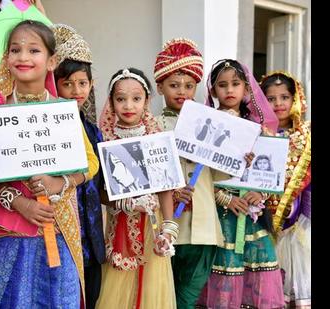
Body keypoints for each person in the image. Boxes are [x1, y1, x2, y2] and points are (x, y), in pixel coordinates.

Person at [0, 20, 99, 308]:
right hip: (12, 231)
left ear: (51, 61)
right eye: (15, 50)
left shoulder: (62, 111)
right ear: (6, 59)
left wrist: (61, 182)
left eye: (33, 50)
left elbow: (91, 163)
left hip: (58, 226)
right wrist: (18, 201)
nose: (24, 57)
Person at [153, 38, 234, 309]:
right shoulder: (152, 126)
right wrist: (172, 190)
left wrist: (238, 157)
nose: (182, 91)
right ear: (160, 86)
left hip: (203, 227)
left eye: (189, 86)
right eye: (174, 85)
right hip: (166, 225)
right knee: (165, 295)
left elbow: (221, 174)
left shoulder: (210, 123)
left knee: (189, 296)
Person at [197, 59, 284, 308]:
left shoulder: (259, 126)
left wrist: (261, 193)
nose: (230, 90)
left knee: (258, 272)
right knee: (223, 273)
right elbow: (199, 174)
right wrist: (226, 198)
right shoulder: (207, 125)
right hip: (222, 211)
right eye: (222, 85)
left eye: (236, 84)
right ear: (213, 91)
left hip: (252, 210)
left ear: (247, 88)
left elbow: (273, 167)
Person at [95, 67, 177, 309]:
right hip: (118, 224)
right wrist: (126, 203)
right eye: (120, 99)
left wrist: (169, 229)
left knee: (152, 289)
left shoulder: (156, 136)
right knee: (118, 285)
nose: (128, 105)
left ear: (147, 100)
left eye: (136, 98)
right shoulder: (104, 139)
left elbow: (166, 187)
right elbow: (97, 190)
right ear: (111, 102)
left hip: (152, 227)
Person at [52, 23, 105, 309]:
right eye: (67, 83)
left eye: (82, 83)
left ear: (91, 84)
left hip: (93, 237)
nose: (76, 90)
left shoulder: (94, 131)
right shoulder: (45, 128)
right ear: (54, 84)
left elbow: (102, 184)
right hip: (62, 234)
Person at [261, 71, 311, 308]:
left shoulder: (306, 135)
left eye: (284, 97)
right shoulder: (257, 133)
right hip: (262, 220)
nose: (279, 104)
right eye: (271, 98)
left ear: (296, 99)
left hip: (299, 222)